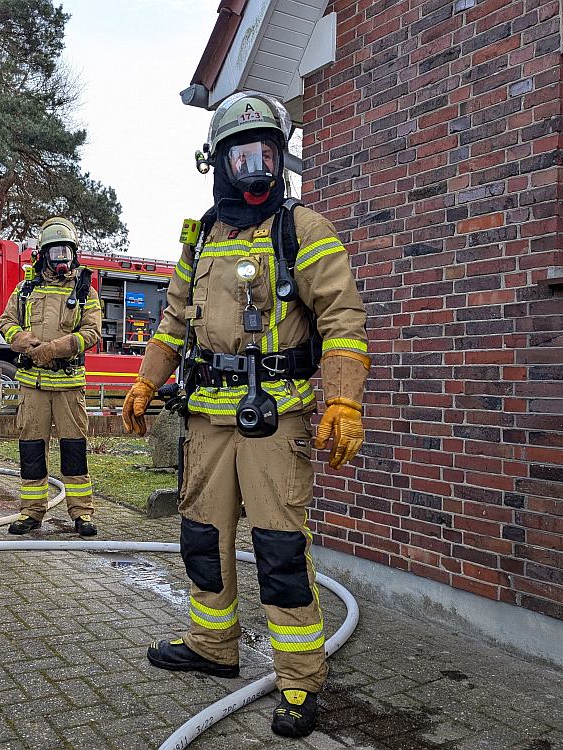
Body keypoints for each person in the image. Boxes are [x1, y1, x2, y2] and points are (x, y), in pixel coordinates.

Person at [122, 92, 369, 739]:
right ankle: (212, 646)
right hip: (204, 418)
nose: (253, 166)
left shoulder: (303, 229)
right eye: (241, 154)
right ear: (219, 163)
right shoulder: (199, 235)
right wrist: (145, 383)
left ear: (280, 158)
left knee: (280, 551)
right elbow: (174, 321)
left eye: (265, 152)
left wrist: (342, 398)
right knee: (201, 538)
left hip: (276, 415)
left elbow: (343, 319)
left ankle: (298, 679)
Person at [0, 217, 103, 537]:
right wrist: (28, 345)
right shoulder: (25, 289)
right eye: (56, 253)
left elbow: (93, 332)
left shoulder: (85, 291)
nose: (62, 259)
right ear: (43, 254)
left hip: (69, 386)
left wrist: (56, 348)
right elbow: (6, 322)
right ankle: (31, 512)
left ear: (75, 254)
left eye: (66, 253)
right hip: (33, 385)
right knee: (31, 450)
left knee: (73, 451)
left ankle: (81, 514)